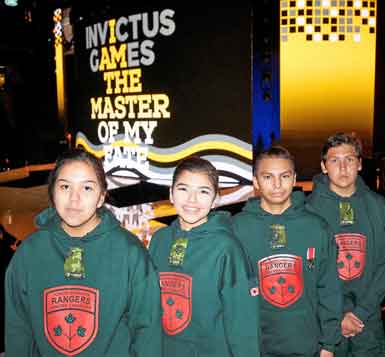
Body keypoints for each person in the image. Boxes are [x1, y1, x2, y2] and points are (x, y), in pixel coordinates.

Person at [5, 149, 162, 356]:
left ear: (101, 198)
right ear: (52, 193)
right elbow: (18, 329)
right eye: (65, 187)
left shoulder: (130, 253)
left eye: (87, 188)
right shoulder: (29, 253)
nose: (74, 199)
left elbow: (147, 332)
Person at [232, 146, 342, 357]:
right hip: (253, 347)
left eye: (284, 176)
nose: (276, 185)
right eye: (267, 177)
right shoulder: (236, 229)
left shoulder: (317, 227)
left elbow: (329, 289)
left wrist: (329, 343)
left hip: (306, 346)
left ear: (294, 180)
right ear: (255, 181)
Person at [149, 156, 260, 357]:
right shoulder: (159, 240)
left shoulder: (226, 247)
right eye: (183, 189)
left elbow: (242, 320)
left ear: (215, 199)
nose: (192, 200)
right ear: (171, 194)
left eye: (203, 191)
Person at [307, 132, 385, 357]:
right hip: (325, 323)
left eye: (349, 159)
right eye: (334, 160)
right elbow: (307, 271)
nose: (343, 167)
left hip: (367, 320)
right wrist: (337, 314)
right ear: (323, 166)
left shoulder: (379, 207)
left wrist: (359, 313)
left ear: (359, 164)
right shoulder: (308, 211)